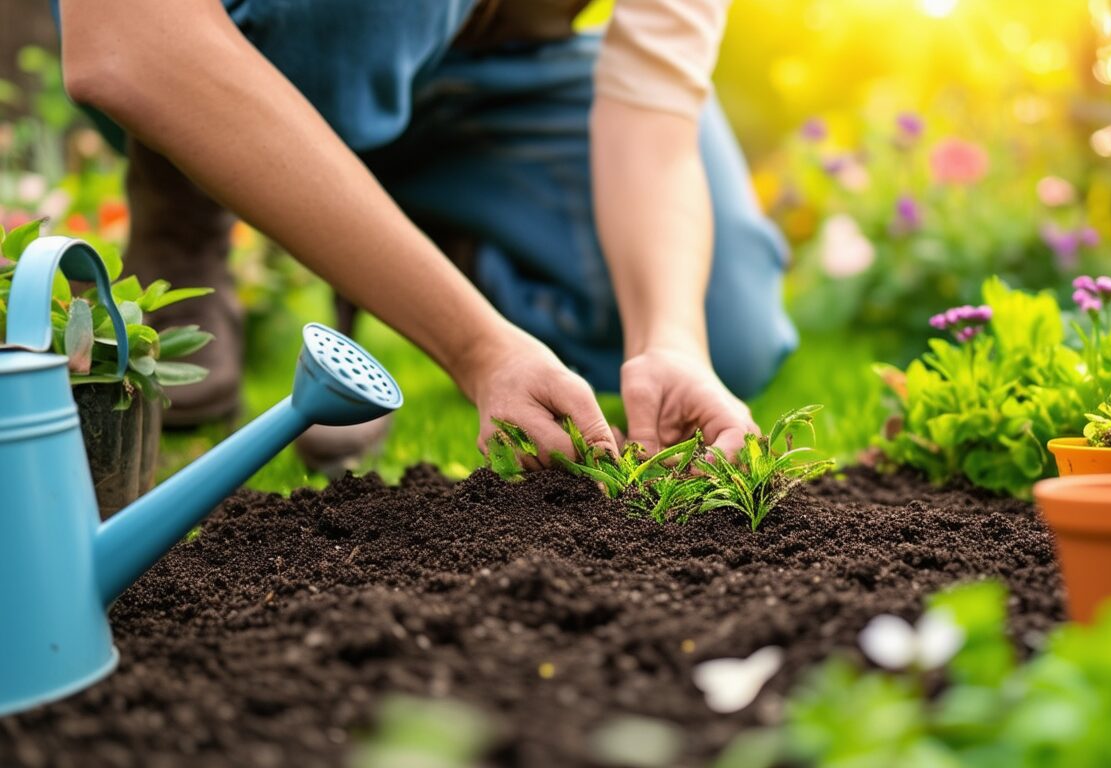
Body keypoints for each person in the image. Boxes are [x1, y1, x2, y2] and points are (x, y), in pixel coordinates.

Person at [49, 0, 797, 470]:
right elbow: (126, 41)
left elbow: (655, 126)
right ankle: (187, 199)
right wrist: (479, 350)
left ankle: (420, 246)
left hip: (504, 73)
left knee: (729, 332)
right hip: (258, 37)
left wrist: (672, 341)